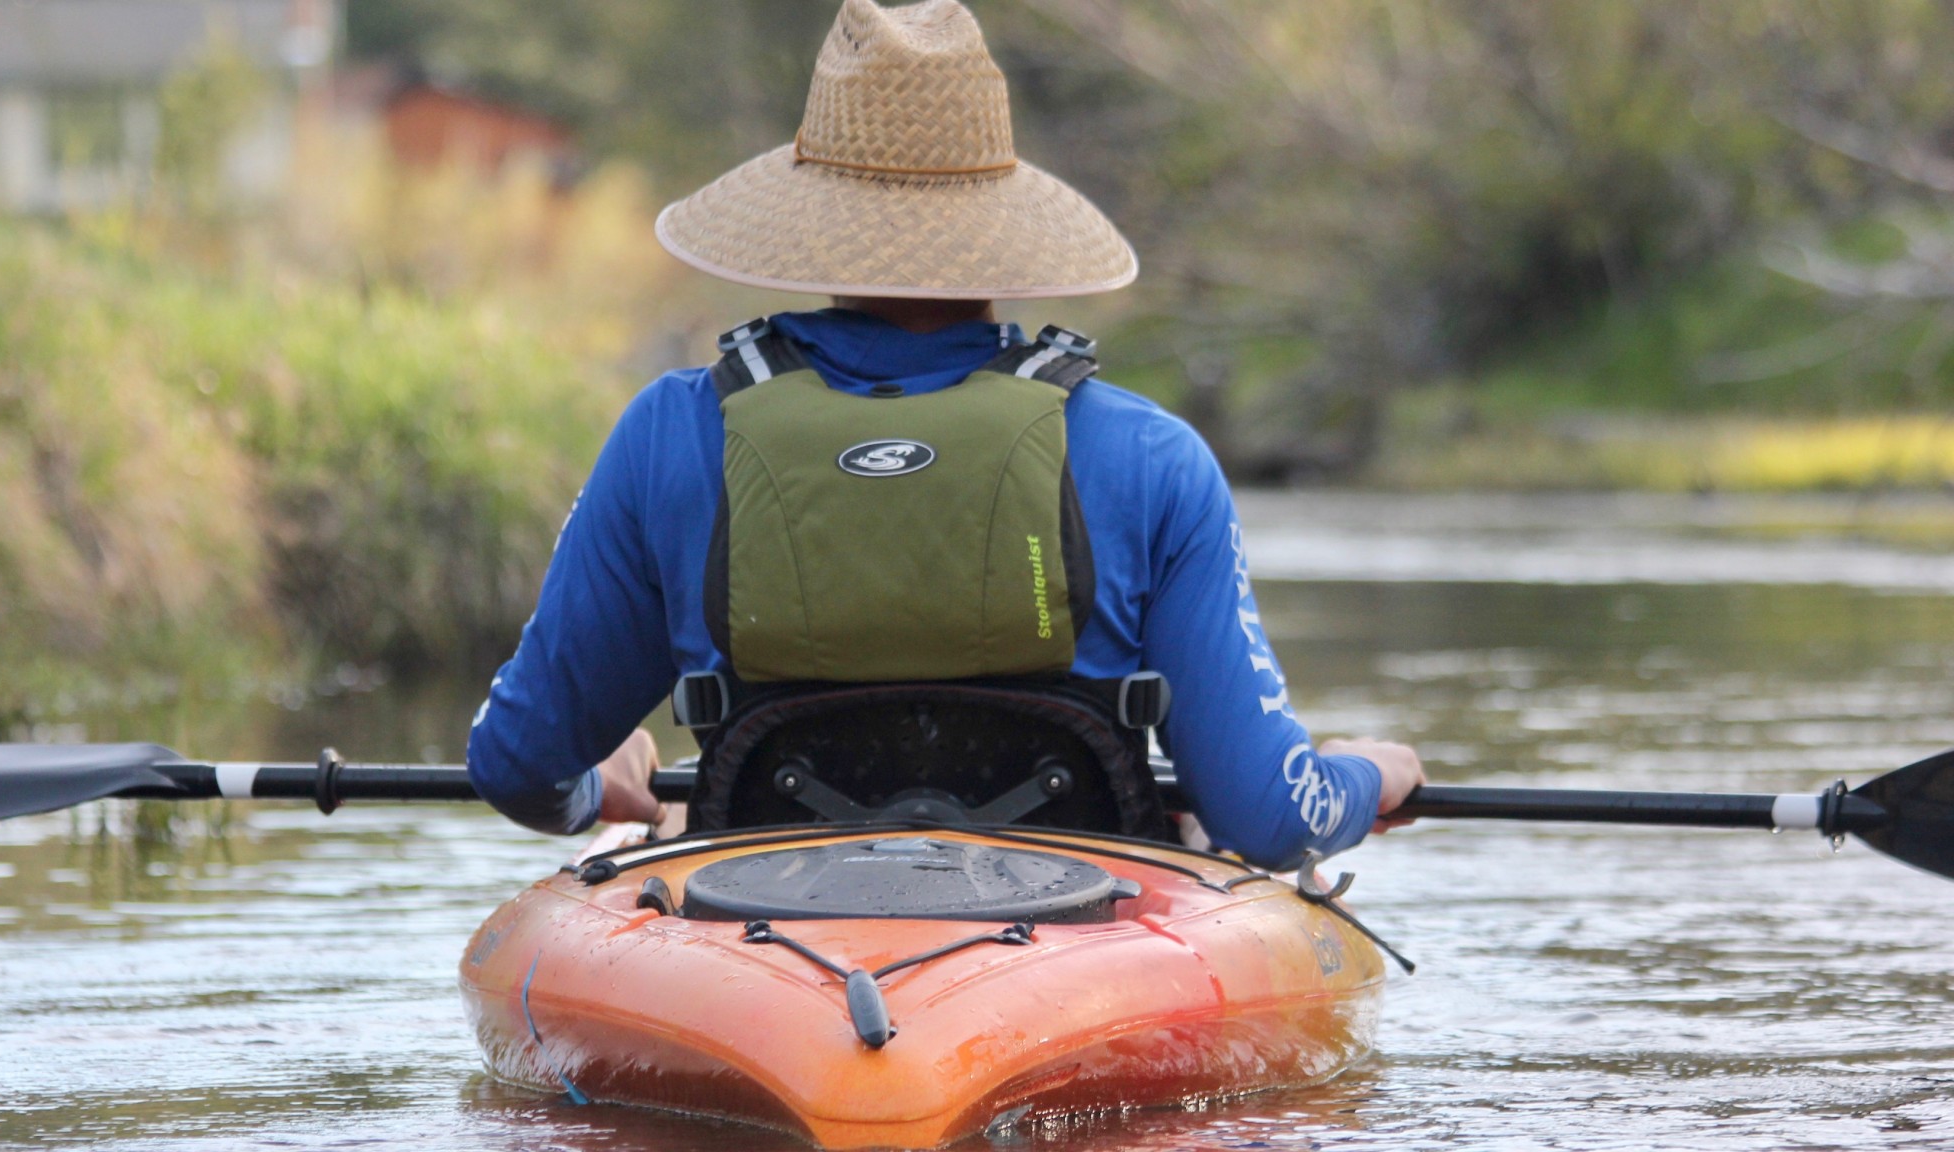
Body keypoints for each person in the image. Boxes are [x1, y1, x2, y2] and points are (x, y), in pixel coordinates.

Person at [467, 0, 1423, 870]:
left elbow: (517, 763)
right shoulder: (1152, 458)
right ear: (1002, 230)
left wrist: (593, 787)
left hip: (758, 925)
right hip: (1078, 940)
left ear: (808, 223)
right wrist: (1367, 774)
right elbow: (1273, 819)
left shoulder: (670, 433)